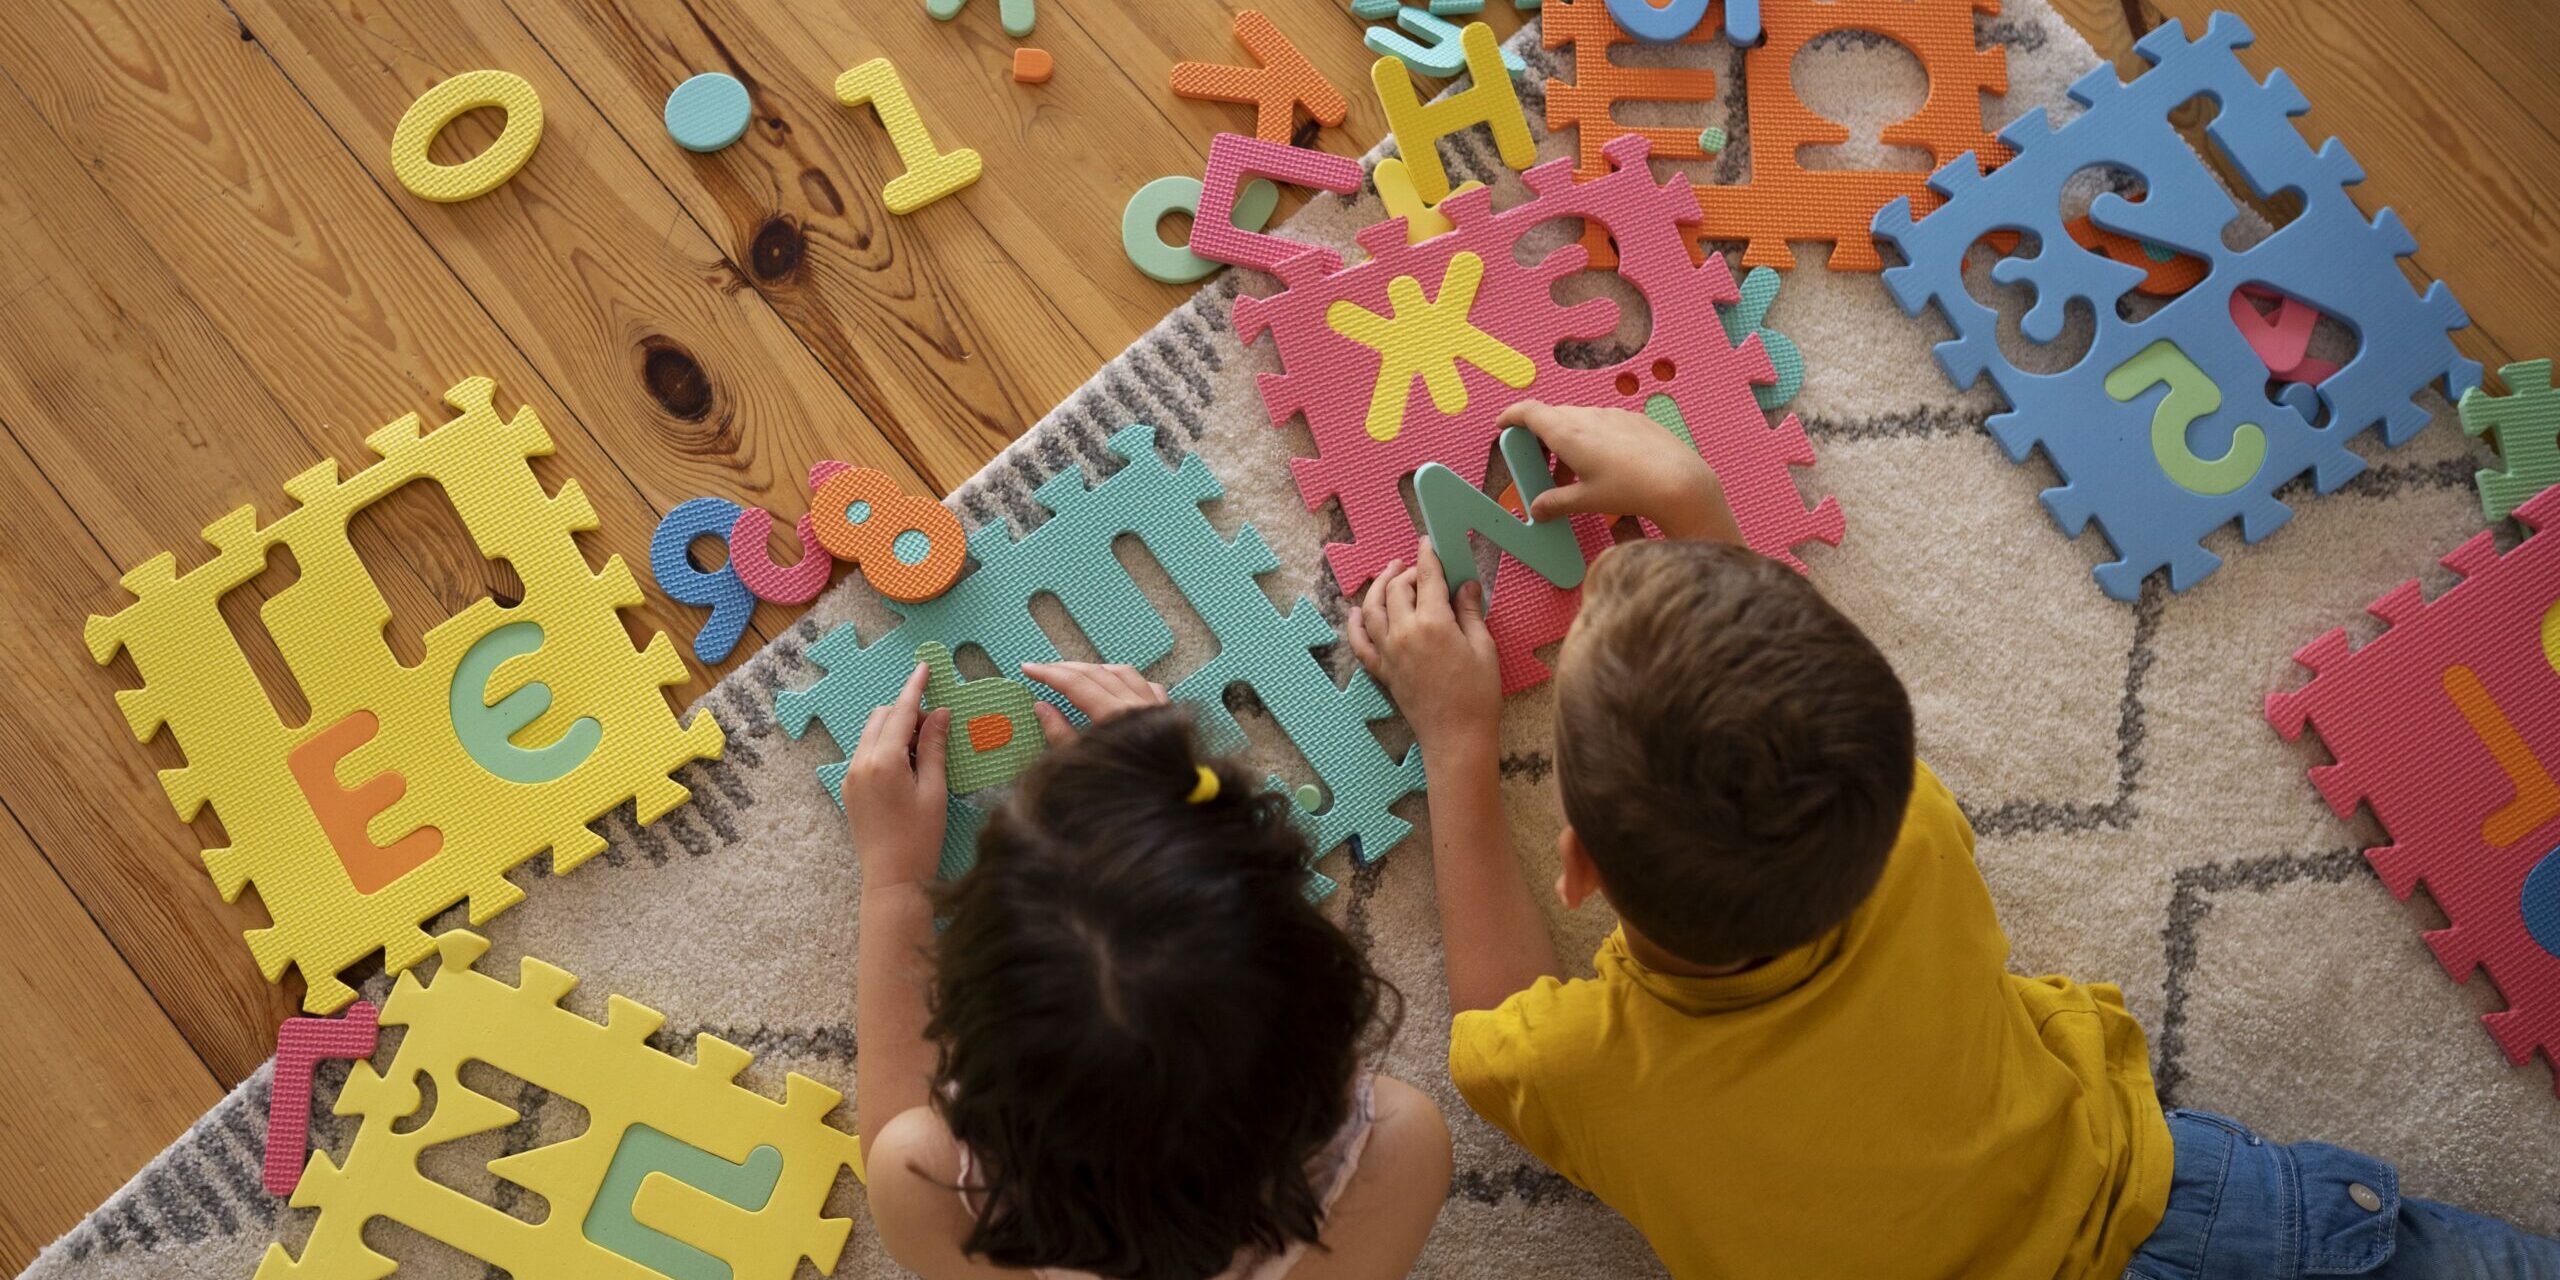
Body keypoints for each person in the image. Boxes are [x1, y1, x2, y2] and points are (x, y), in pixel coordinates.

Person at [1347, 399, 2560, 1279]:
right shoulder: (1910, 835)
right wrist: (1699, 504)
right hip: (2197, 1218)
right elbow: (1815, 702)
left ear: (1576, 866)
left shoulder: (1588, 1067)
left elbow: (1485, 1030)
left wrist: (1456, 740)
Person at [843, 659, 1451, 1280]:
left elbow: (892, 1144)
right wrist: (1169, 799)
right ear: (1317, 998)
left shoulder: (940, 1197)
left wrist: (895, 881)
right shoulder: (1399, 1155)